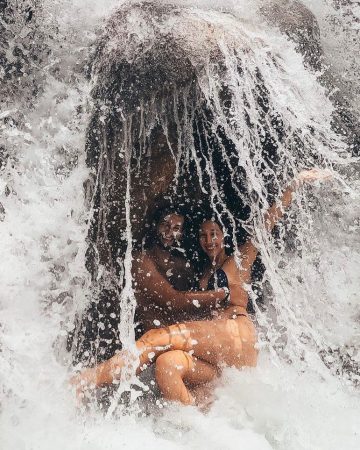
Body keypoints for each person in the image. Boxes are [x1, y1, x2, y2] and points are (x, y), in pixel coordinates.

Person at [71, 168, 331, 406]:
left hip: (236, 336)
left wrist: (294, 185)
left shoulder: (238, 261)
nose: (209, 240)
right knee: (167, 365)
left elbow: (265, 226)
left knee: (155, 340)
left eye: (214, 233)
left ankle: (84, 381)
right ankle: (196, 427)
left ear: (223, 235)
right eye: (202, 235)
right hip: (217, 356)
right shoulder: (202, 274)